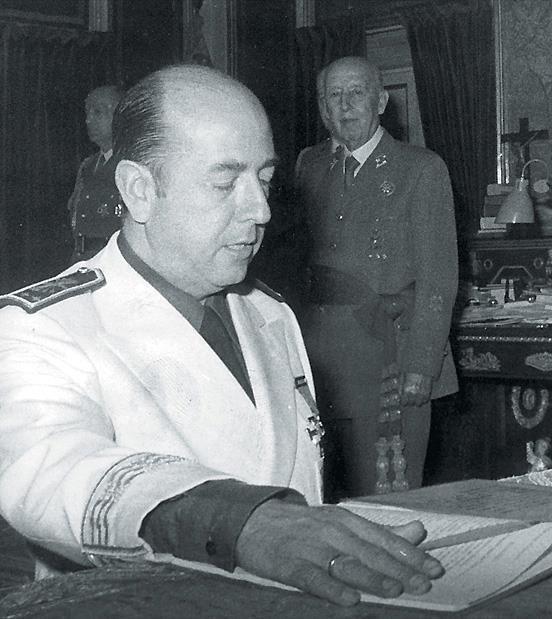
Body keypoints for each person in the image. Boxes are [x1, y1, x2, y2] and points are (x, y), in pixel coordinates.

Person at [0, 65, 444, 607]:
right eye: (224, 182)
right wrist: (242, 524)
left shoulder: (270, 314)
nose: (260, 211)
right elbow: (53, 472)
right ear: (140, 191)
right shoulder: (43, 326)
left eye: (264, 180)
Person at [295, 56, 458, 500]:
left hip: (390, 357)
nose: (345, 105)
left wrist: (422, 365)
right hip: (320, 366)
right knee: (323, 497)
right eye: (334, 95)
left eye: (357, 93)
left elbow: (439, 277)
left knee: (389, 497)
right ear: (323, 108)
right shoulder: (309, 165)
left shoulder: (419, 168)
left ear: (381, 101)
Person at [67, 85, 125, 261]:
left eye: (97, 112)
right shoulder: (87, 166)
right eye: (87, 112)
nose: (88, 120)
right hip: (84, 259)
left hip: (115, 262)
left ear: (119, 117)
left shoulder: (131, 164)